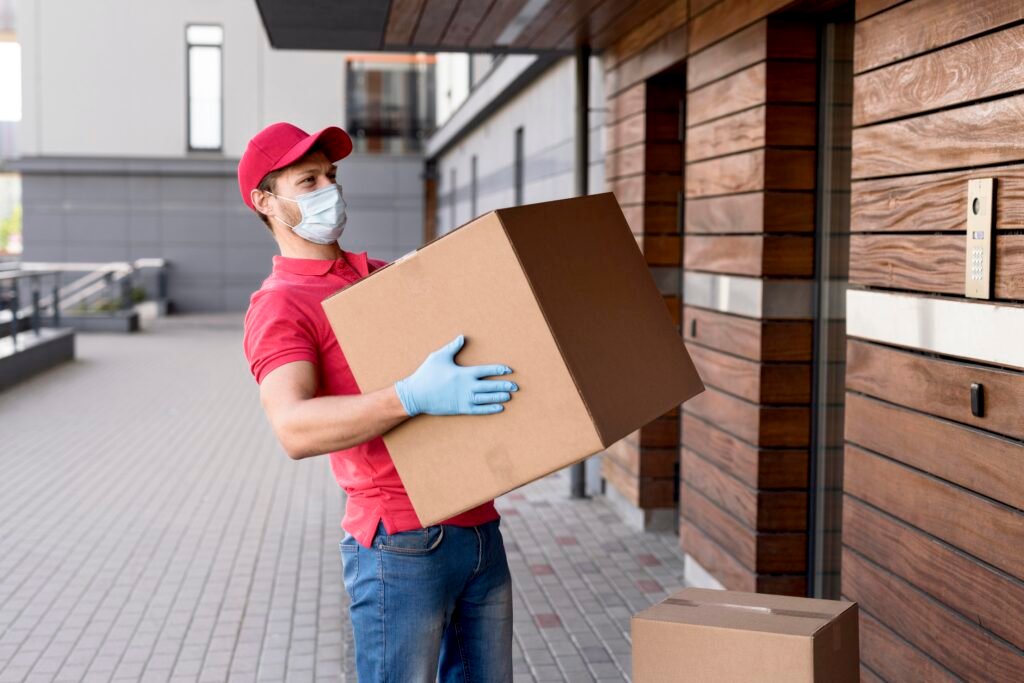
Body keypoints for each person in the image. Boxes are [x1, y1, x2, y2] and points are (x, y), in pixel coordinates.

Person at [239, 122, 517, 681]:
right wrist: (411, 396)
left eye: (333, 176)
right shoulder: (280, 304)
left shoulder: (382, 277)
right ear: (266, 201)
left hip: (479, 526)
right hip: (402, 543)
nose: (329, 190)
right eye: (309, 180)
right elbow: (294, 428)